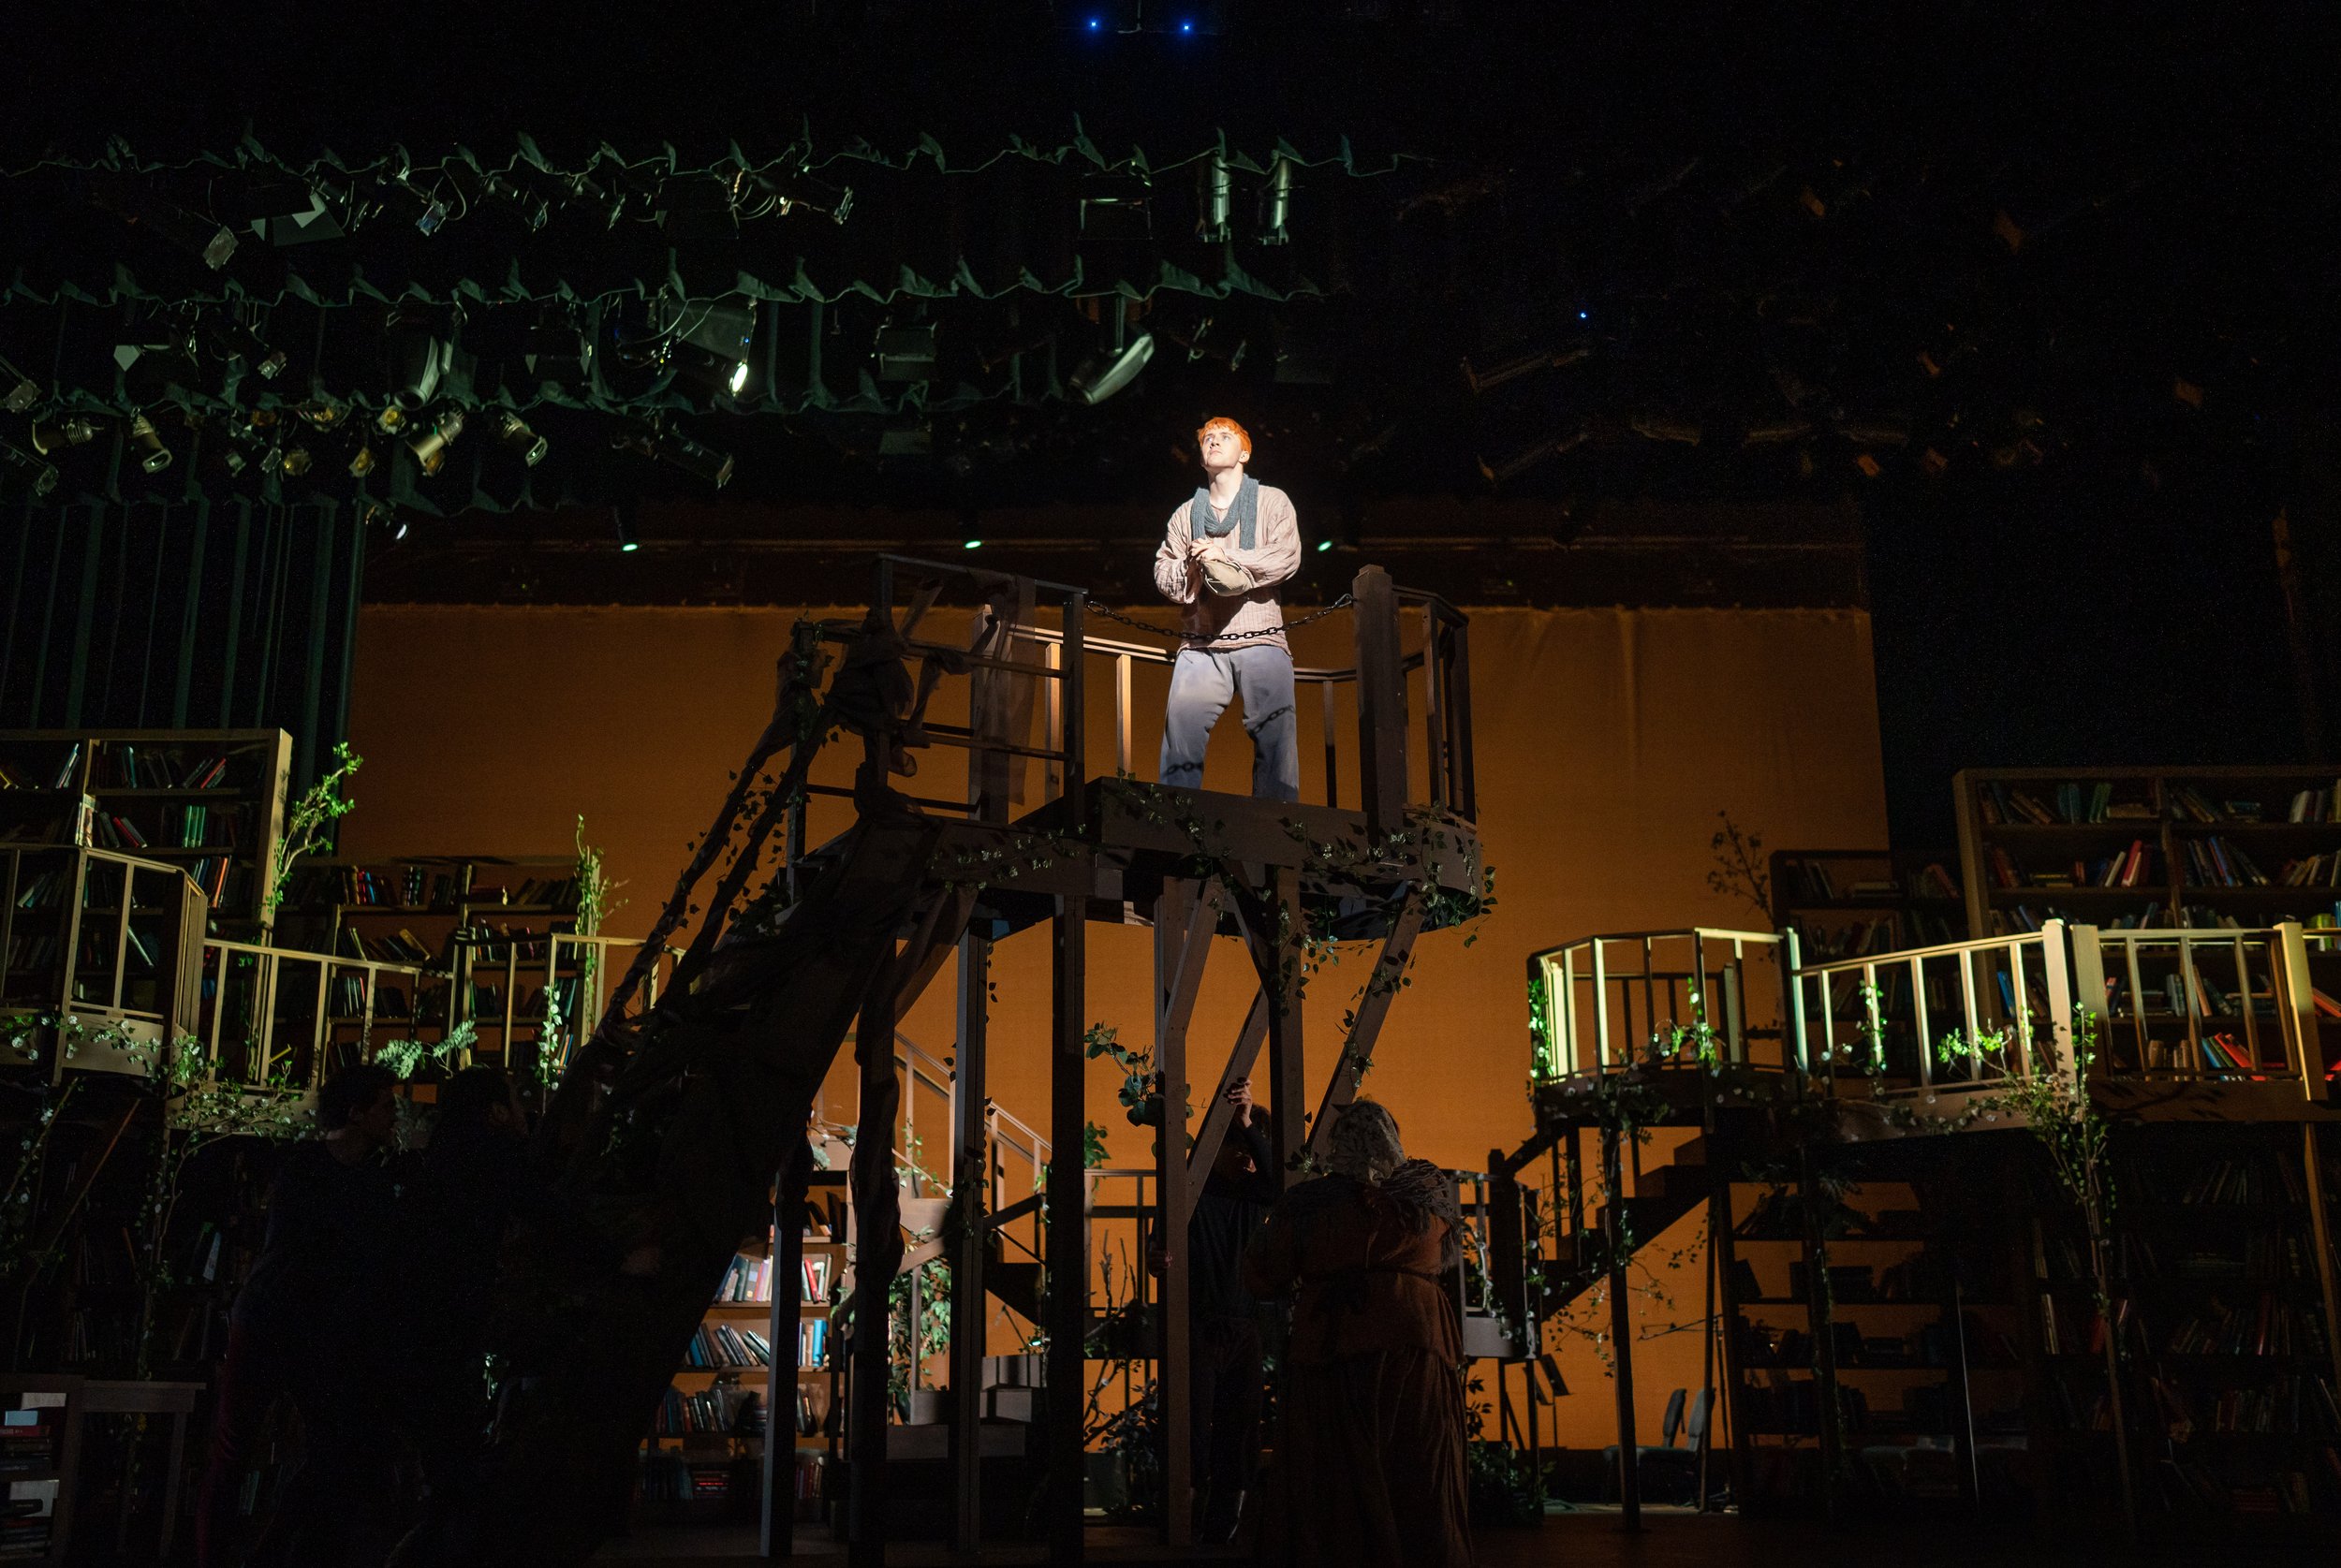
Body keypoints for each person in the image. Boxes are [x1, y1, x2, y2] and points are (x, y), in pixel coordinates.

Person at [1242, 1100, 1471, 1568]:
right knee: (1416, 1469)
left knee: (1339, 1473)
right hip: (1417, 1345)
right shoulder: (1425, 1198)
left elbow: (1264, 1271)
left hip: (1337, 1350)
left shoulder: (1312, 1205)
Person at [196, 1062, 403, 1568]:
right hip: (273, 1321)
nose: (395, 1114)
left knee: (332, 1450)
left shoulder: (363, 1178)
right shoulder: (307, 1169)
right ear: (355, 1113)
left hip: (312, 1329)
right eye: (385, 1105)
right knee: (234, 1450)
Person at [1149, 1077, 1279, 1544]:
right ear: (1217, 1145)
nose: (1245, 1158)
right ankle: (1184, 1525)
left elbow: (1277, 1185)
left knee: (1240, 1430)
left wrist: (1249, 1124)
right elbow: (1158, 1243)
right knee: (1191, 1430)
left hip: (1242, 1326)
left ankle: (1222, 1529)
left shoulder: (1253, 1195)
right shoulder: (1191, 1190)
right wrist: (1156, 1258)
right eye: (1235, 1146)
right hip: (1198, 1324)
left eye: (1250, 1148)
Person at [1153, 416, 1304, 800]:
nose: (1214, 442)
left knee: (1276, 735)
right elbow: (1164, 571)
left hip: (1261, 637)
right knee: (1181, 734)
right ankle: (1174, 818)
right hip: (1201, 644)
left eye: (1225, 436)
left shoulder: (1272, 501)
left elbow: (1286, 556)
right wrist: (1194, 563)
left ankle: (1279, 821)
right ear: (1201, 456)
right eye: (1208, 438)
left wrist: (1225, 556)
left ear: (1245, 453)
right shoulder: (1186, 514)